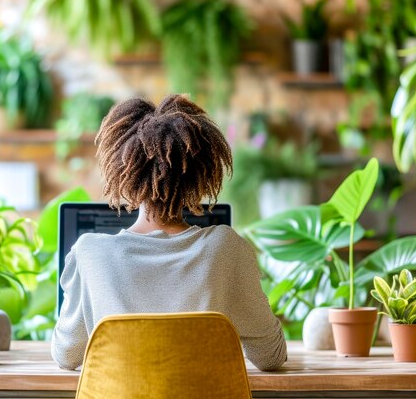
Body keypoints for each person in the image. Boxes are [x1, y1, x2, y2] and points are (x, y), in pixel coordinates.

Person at [51, 94, 287, 371]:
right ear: (201, 174)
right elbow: (270, 356)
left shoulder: (90, 253)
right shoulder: (227, 249)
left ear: (122, 171)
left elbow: (66, 356)